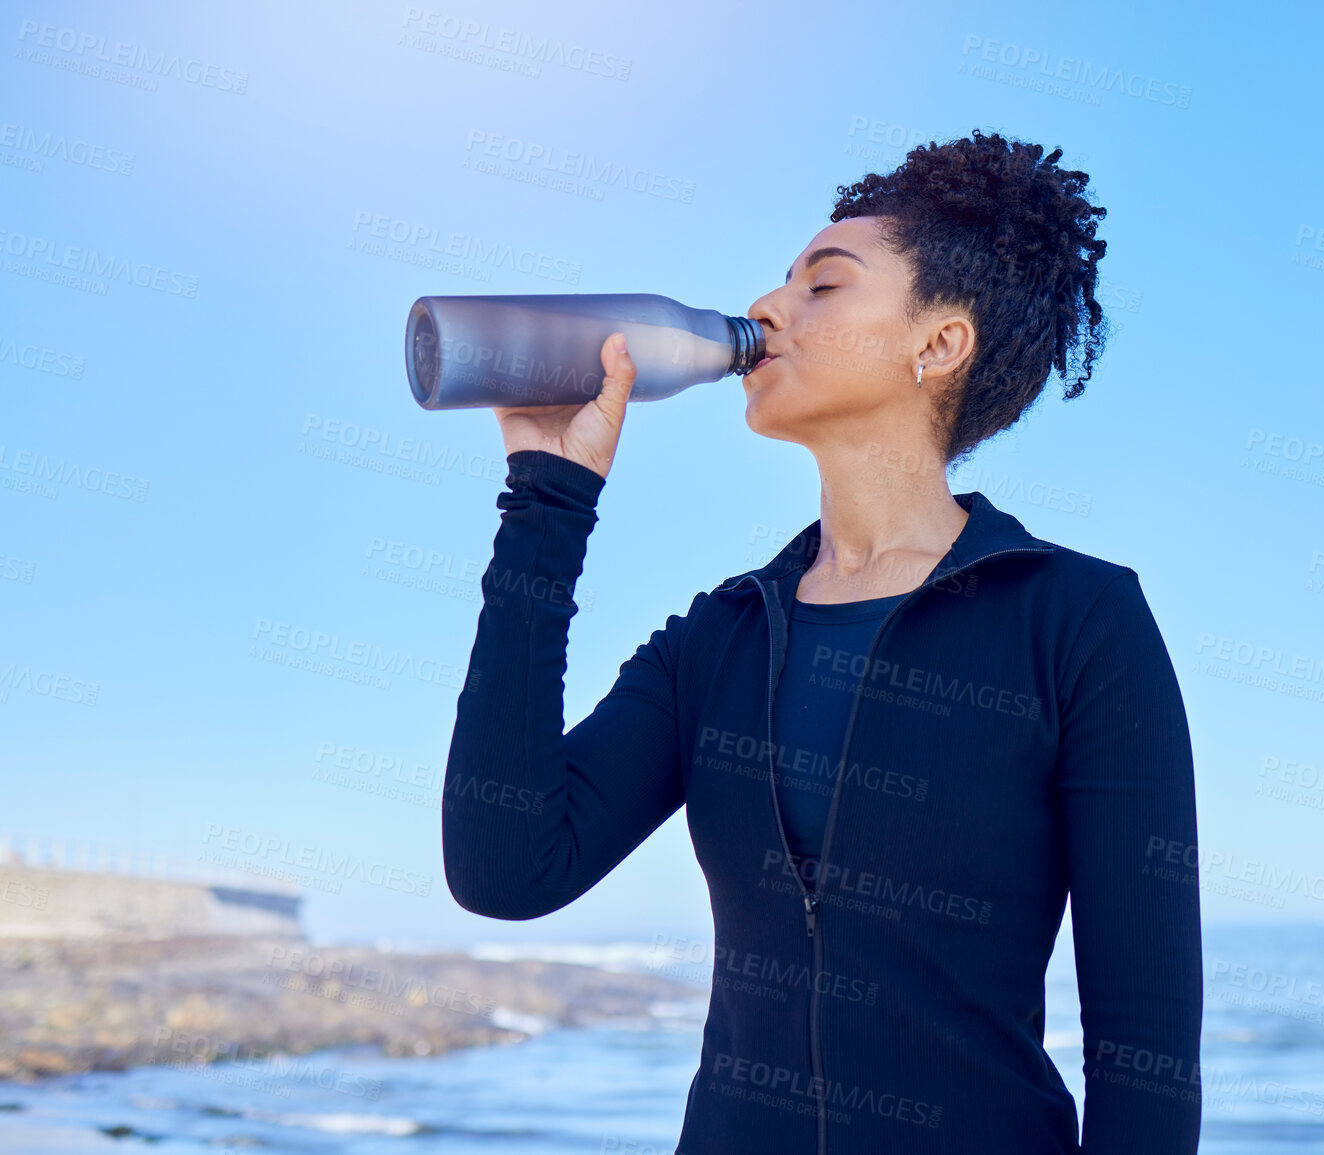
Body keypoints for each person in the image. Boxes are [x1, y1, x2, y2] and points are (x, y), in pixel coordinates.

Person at [441, 130, 1202, 1154]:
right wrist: (547, 499)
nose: (767, 309)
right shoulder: (722, 638)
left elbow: (1143, 1052)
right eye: (781, 282)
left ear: (937, 344)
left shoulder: (1076, 622)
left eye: (823, 287)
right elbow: (504, 867)